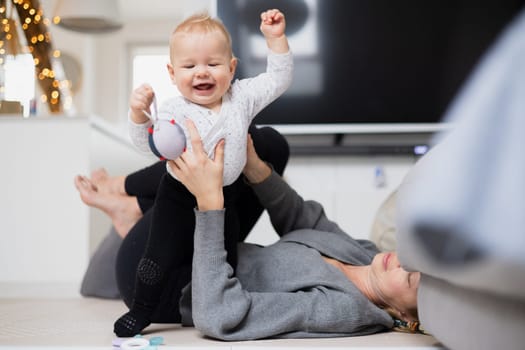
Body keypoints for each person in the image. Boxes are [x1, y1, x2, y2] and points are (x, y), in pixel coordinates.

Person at [77, 122, 421, 339]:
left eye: (408, 278)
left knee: (217, 161)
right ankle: (133, 210)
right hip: (204, 251)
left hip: (169, 284)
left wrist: (211, 204)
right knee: (264, 143)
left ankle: (124, 190)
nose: (402, 263)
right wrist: (256, 168)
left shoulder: (343, 310)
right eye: (414, 260)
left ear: (405, 317)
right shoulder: (366, 254)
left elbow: (218, 314)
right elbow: (303, 218)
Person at [114, 8, 293, 336]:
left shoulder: (242, 97)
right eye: (189, 66)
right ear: (172, 72)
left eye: (213, 64)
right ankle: (142, 310)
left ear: (232, 67)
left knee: (225, 260)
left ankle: (217, 305)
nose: (202, 73)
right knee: (158, 256)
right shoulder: (172, 109)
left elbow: (279, 79)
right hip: (178, 196)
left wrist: (276, 40)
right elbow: (147, 145)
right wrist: (139, 114)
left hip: (225, 198)